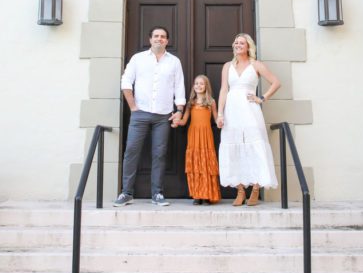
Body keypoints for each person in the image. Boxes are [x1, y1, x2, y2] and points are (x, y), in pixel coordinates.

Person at [113, 26, 185, 207]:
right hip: (140, 114)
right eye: (156, 36)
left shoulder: (174, 62)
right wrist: (133, 106)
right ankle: (126, 192)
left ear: (167, 41)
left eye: (163, 37)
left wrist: (179, 110)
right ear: (150, 39)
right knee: (131, 152)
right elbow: (126, 81)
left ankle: (157, 194)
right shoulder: (138, 59)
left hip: (164, 116)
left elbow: (180, 88)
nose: (159, 39)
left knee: (159, 154)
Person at [217, 33, 280, 207]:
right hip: (231, 111)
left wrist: (263, 98)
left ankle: (256, 189)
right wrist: (220, 114)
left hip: (250, 110)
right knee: (232, 146)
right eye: (236, 42)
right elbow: (224, 90)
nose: (238, 45)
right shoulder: (227, 66)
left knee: (254, 146)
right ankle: (240, 190)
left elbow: (275, 82)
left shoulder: (256, 65)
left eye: (242, 43)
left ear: (248, 47)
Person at [173, 75, 221, 205]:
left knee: (205, 163)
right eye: (196, 83)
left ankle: (206, 195)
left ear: (206, 86)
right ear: (194, 86)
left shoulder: (211, 102)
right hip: (194, 135)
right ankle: (197, 195)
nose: (198, 86)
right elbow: (184, 121)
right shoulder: (190, 103)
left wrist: (221, 121)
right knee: (195, 163)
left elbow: (216, 119)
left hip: (206, 136)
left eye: (201, 84)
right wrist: (177, 121)